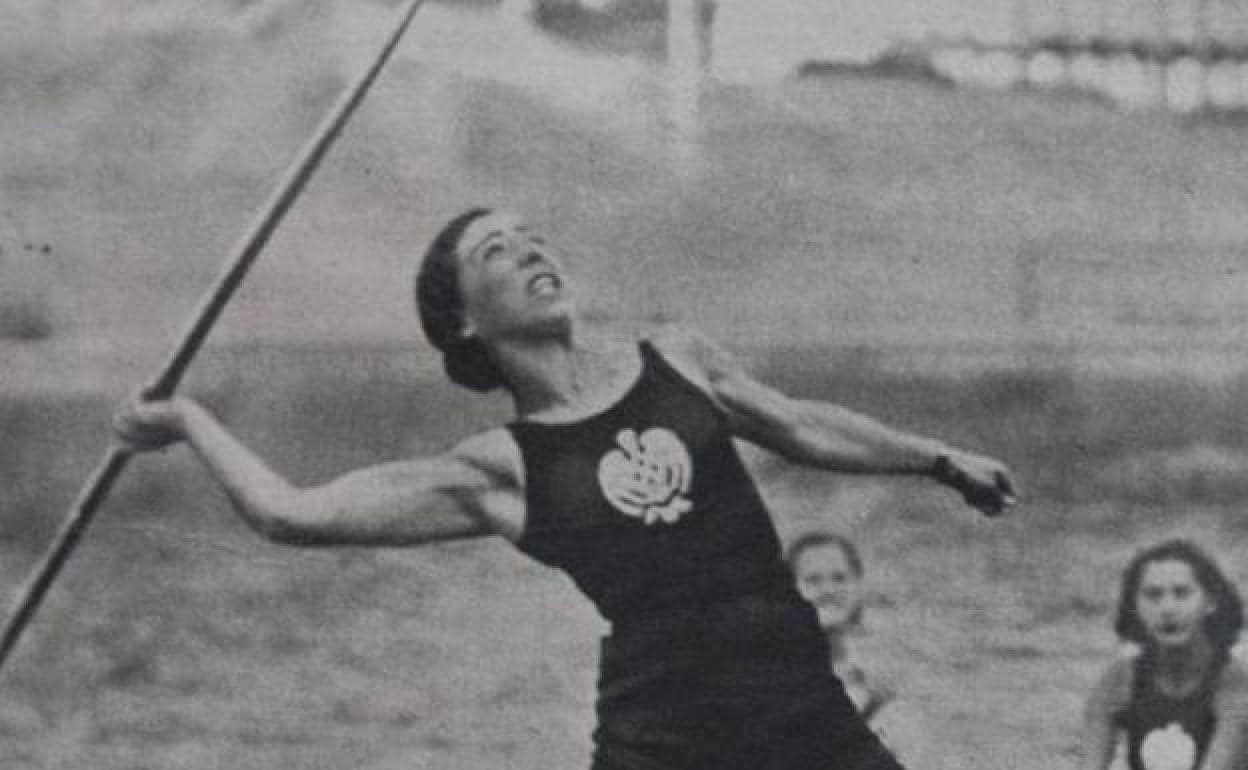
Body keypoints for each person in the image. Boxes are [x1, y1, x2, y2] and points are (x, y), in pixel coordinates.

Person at [114, 207, 1018, 770]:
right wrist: (191, 422)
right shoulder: (497, 471)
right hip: (666, 731)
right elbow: (288, 514)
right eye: (498, 250)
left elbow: (800, 424)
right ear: (464, 321)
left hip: (795, 697)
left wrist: (938, 459)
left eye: (533, 236)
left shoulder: (676, 358)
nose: (532, 250)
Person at [1080, 539, 1248, 770]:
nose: (1167, 609)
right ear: (1134, 606)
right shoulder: (1120, 677)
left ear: (1210, 602)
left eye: (1182, 593)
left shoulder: (1233, 680)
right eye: (1153, 595)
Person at [788, 532, 894, 721]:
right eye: (812, 580)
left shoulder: (877, 658)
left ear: (858, 584)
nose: (828, 590)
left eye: (839, 578)